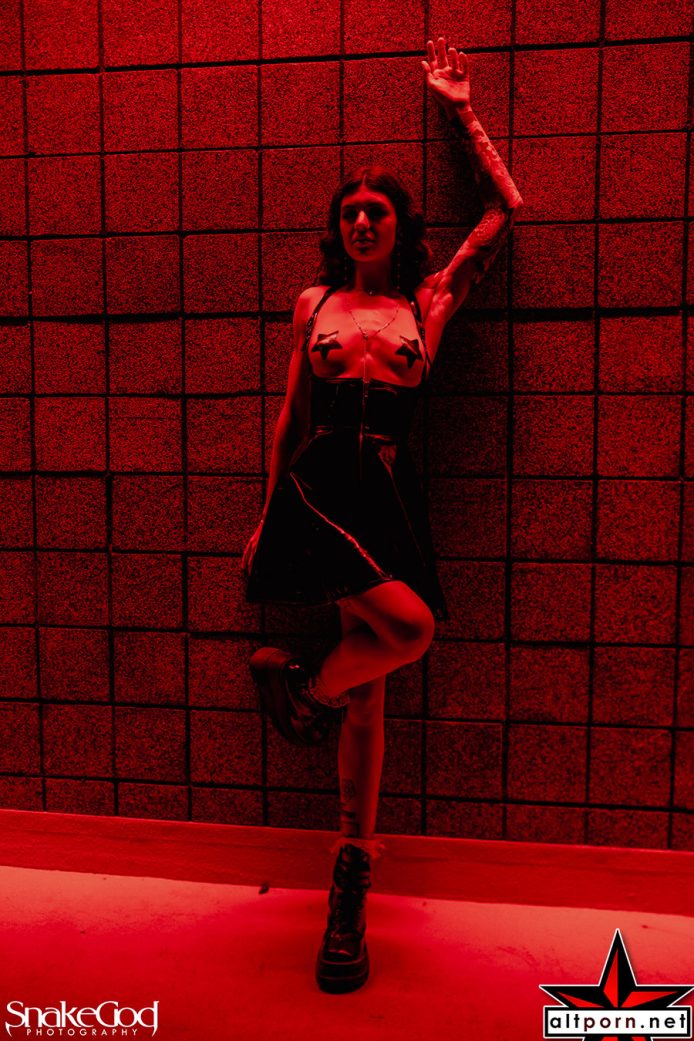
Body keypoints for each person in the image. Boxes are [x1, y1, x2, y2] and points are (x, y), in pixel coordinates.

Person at [242, 36, 523, 994]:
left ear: (400, 229)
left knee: (378, 676)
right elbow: (291, 417)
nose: (363, 220)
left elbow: (506, 211)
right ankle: (305, 692)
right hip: (320, 490)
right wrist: (266, 513)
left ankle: (348, 886)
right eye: (350, 212)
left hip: (392, 494)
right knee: (411, 630)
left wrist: (461, 111)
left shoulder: (431, 303)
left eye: (379, 211)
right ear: (339, 229)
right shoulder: (313, 302)